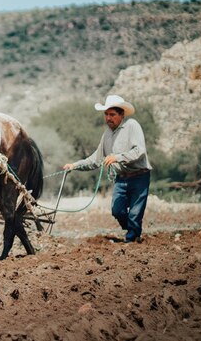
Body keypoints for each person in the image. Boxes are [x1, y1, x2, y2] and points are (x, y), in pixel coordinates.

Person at [63, 95, 152, 243]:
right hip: (121, 178)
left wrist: (117, 157)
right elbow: (95, 159)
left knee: (135, 213)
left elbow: (139, 151)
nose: (108, 118)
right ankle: (132, 230)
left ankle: (132, 240)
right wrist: (75, 165)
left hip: (139, 176)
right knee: (117, 211)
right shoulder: (107, 135)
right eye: (106, 114)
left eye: (112, 114)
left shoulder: (132, 125)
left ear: (121, 114)